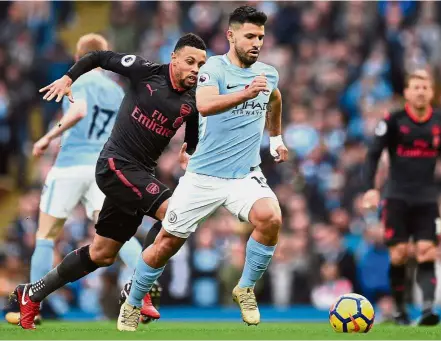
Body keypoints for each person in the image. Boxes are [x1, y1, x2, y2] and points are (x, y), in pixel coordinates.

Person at [11, 33, 207, 330]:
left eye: (201, 64)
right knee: (175, 212)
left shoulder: (191, 102)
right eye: (190, 62)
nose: (195, 69)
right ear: (175, 58)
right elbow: (98, 57)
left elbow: (192, 130)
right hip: (115, 164)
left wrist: (188, 151)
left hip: (139, 174)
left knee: (102, 254)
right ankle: (138, 289)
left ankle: (32, 293)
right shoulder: (145, 71)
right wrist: (68, 78)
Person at [119, 5, 288, 331]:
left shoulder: (268, 73)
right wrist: (246, 92)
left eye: (261, 37)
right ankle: (133, 302)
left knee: (272, 218)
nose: (256, 43)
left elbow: (275, 98)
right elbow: (205, 105)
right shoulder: (213, 68)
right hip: (203, 176)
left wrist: (277, 137)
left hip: (245, 175)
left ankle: (245, 287)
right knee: (166, 243)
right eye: (250, 36)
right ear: (231, 35)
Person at [5, 33, 147, 326]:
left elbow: (79, 110)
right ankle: (143, 294)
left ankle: (33, 307)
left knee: (45, 235)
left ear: (79, 58)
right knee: (118, 235)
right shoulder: (116, 90)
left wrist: (47, 136)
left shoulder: (78, 81)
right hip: (103, 169)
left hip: (70, 165)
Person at [363, 69, 440, 326]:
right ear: (406, 92)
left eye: (425, 87)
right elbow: (374, 154)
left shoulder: (439, 121)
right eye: (415, 87)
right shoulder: (393, 120)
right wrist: (371, 188)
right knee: (399, 254)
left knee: (426, 251)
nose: (420, 91)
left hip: (427, 197)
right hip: (396, 196)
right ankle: (399, 310)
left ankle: (428, 310)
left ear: (432, 92)